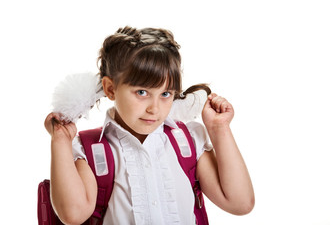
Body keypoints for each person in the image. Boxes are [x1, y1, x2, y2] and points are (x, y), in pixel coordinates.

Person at [44, 26, 255, 225]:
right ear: (110, 89)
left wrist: (219, 129)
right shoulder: (92, 149)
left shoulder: (188, 140)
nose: (154, 108)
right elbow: (73, 214)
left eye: (165, 94)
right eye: (142, 93)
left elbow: (240, 203)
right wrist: (61, 140)